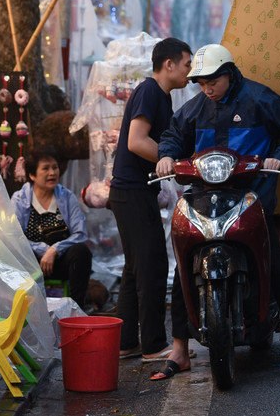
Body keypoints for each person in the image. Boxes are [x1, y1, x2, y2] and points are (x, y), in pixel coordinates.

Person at [156, 44, 280, 373]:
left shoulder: (259, 99)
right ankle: (179, 350)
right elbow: (172, 135)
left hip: (252, 197)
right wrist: (166, 154)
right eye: (201, 83)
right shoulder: (196, 108)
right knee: (184, 264)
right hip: (205, 197)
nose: (207, 89)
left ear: (229, 73)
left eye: (213, 81)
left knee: (277, 268)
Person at [109, 38, 193, 364]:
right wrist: (173, 161)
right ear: (168, 64)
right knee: (153, 266)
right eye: (187, 64)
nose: (190, 71)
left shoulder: (161, 96)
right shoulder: (150, 91)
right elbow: (136, 141)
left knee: (135, 270)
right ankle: (154, 345)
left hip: (134, 192)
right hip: (131, 191)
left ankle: (127, 342)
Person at [11, 147, 92, 309]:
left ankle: (76, 311)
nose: (52, 173)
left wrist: (54, 250)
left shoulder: (67, 197)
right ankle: (26, 311)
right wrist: (42, 249)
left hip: (61, 261)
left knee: (81, 252)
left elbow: (80, 233)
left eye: (55, 167)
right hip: (33, 262)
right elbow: (14, 237)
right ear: (32, 175)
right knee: (16, 253)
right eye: (46, 168)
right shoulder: (19, 199)